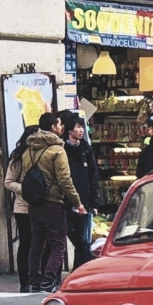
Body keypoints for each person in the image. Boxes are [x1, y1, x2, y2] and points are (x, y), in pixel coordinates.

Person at [21, 113, 87, 292]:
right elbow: (65, 180)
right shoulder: (57, 150)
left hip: (34, 203)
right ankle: (48, 280)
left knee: (37, 243)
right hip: (53, 202)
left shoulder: (29, 150)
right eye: (59, 125)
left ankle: (34, 280)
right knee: (58, 244)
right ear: (53, 128)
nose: (62, 127)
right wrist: (77, 202)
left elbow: (24, 177)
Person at [61, 114, 101, 270]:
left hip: (83, 201)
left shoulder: (86, 149)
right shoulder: (62, 150)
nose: (81, 130)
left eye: (82, 127)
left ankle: (80, 270)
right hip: (65, 200)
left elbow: (93, 175)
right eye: (78, 127)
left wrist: (94, 202)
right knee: (70, 234)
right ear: (69, 130)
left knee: (83, 240)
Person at [4, 125, 41, 291]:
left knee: (40, 243)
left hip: (40, 205)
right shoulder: (18, 157)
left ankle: (37, 278)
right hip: (23, 207)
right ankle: (24, 281)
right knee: (26, 242)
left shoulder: (44, 155)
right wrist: (24, 189)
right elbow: (8, 182)